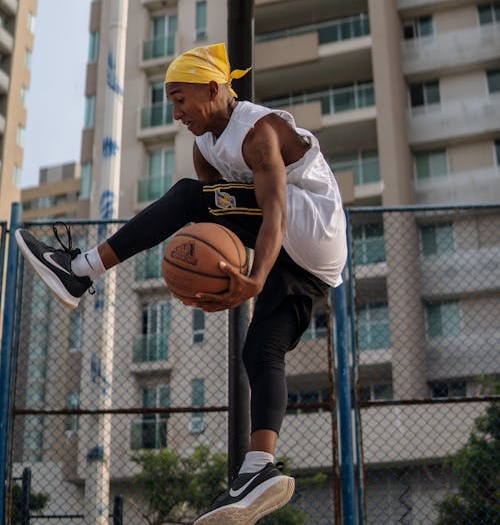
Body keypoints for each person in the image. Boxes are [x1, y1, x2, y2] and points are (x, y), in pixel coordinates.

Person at [16, 43, 347, 525]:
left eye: (180, 98)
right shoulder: (206, 147)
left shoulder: (258, 131)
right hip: (316, 263)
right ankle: (260, 470)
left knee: (189, 197)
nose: (174, 112)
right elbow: (223, 232)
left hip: (309, 223)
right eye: (169, 101)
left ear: (213, 90)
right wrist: (218, 280)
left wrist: (254, 278)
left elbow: (272, 209)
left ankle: (81, 269)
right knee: (260, 350)